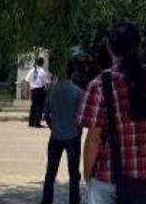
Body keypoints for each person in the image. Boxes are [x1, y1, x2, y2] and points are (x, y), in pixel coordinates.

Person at [79, 23, 146, 204]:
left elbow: (93, 139)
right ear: (138, 46)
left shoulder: (101, 84)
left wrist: (87, 176)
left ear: (109, 48)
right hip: (144, 180)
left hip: (108, 179)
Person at [41, 60, 84, 204]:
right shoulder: (78, 92)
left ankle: (47, 200)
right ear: (73, 73)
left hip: (56, 136)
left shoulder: (52, 90)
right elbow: (81, 118)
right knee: (73, 173)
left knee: (50, 172)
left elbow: (46, 114)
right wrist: (78, 131)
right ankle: (74, 200)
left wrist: (53, 127)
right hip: (72, 136)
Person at [27, 56, 50, 128]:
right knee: (40, 106)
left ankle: (31, 122)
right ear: (42, 63)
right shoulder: (43, 72)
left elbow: (27, 79)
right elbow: (46, 83)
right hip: (40, 90)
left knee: (33, 106)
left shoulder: (32, 70)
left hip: (33, 89)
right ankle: (37, 123)